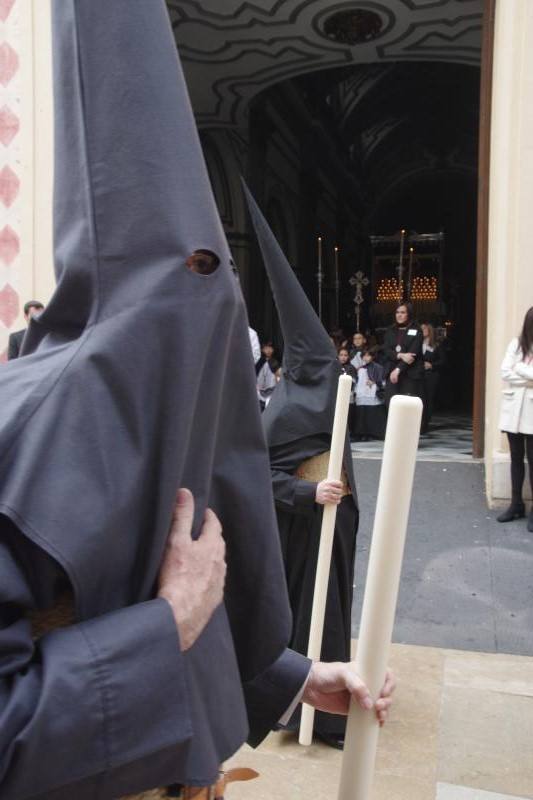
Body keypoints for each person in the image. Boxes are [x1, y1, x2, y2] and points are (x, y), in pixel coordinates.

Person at [0, 3, 394, 799]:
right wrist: (168, 625)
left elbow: (171, 567)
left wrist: (289, 678)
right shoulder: (28, 425)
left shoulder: (163, 401)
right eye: (187, 276)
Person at [243, 183, 360, 750]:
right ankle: (300, 709)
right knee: (303, 614)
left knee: (332, 611)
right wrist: (306, 496)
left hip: (332, 529)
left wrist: (343, 500)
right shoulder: (285, 409)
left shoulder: (328, 397)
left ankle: (330, 708)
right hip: (298, 534)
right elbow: (258, 477)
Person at [497, 306, 533, 531]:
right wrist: (527, 374)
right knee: (516, 459)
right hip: (513, 410)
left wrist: (518, 369)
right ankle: (516, 503)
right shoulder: (516, 344)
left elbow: (512, 371)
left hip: (530, 411)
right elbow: (504, 372)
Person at [382, 302, 424, 406]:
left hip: (409, 373)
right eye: (397, 312)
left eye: (403, 312)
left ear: (408, 314)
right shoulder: (390, 330)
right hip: (392, 372)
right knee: (390, 404)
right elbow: (386, 350)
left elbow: (412, 355)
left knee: (406, 406)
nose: (399, 315)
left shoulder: (416, 330)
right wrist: (400, 355)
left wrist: (398, 370)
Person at [354, 347, 386, 440]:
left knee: (372, 414)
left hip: (373, 395)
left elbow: (382, 382)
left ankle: (373, 433)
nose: (366, 358)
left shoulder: (378, 367)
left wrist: (374, 383)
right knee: (362, 414)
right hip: (361, 394)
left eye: (368, 355)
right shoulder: (359, 368)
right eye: (364, 356)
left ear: (372, 357)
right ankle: (362, 433)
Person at [421, 322, 444, 433]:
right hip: (419, 375)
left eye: (424, 329)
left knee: (428, 399)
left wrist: (431, 365)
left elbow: (443, 361)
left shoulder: (436, 345)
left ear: (429, 330)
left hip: (431, 376)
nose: (422, 331)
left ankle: (425, 423)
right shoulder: (417, 344)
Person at [338, 347, 358, 440]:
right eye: (341, 355)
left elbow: (354, 381)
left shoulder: (351, 367)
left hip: (348, 396)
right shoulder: (334, 366)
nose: (343, 357)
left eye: (345, 355)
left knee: (348, 415)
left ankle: (348, 434)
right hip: (336, 395)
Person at [255, 342, 279, 410]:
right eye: (267, 347)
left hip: (267, 398)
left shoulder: (273, 362)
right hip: (262, 398)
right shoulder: (262, 363)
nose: (269, 350)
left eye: (270, 346)